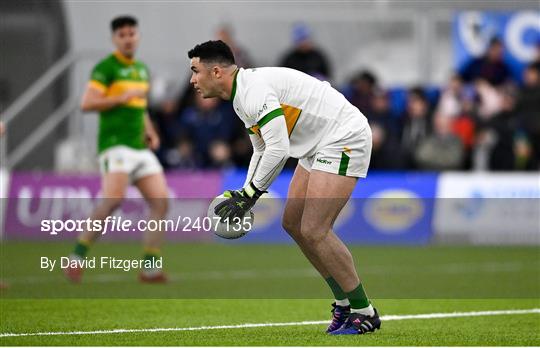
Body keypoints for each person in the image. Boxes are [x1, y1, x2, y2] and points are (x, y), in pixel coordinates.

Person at [188, 40, 379, 335]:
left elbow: (279, 149)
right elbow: (262, 149)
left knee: (315, 230)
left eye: (195, 71)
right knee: (292, 223)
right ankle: (342, 302)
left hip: (343, 134)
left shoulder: (253, 91)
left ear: (215, 72)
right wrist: (244, 193)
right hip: (317, 142)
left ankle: (364, 310)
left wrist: (251, 194)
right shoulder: (241, 96)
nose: (192, 80)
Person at [64, 16, 168, 283]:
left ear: (138, 36)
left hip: (138, 147)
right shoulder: (106, 68)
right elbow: (86, 103)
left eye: (132, 33)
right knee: (112, 202)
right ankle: (76, 257)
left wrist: (150, 131)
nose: (128, 38)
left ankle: (150, 268)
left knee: (161, 203)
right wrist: (117, 98)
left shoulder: (142, 69)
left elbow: (140, 106)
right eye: (122, 35)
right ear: (114, 39)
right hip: (115, 146)